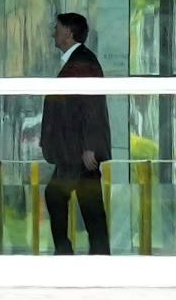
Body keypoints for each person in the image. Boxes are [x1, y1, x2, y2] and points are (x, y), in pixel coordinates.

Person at [41, 13, 111, 255]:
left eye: (57, 29)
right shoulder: (78, 60)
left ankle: (65, 251)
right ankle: (97, 254)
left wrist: (91, 146)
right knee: (90, 204)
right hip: (74, 149)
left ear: (69, 33)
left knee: (56, 195)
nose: (53, 33)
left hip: (77, 150)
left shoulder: (82, 62)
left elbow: (92, 105)